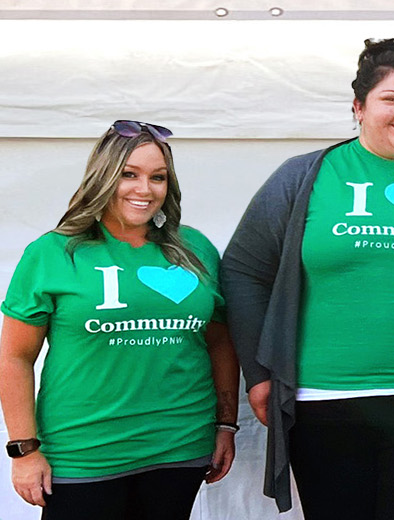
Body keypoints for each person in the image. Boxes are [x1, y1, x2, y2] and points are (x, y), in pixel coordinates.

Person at [220, 39, 394, 519]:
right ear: (358, 107)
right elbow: (244, 271)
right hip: (325, 403)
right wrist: (259, 373)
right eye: (390, 99)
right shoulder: (304, 177)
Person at [1, 121, 238, 519]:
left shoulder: (195, 249)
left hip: (179, 448)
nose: (144, 190)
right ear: (104, 176)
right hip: (83, 455)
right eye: (129, 174)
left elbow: (218, 342)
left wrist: (226, 425)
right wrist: (24, 450)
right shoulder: (52, 253)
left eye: (157, 177)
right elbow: (15, 356)